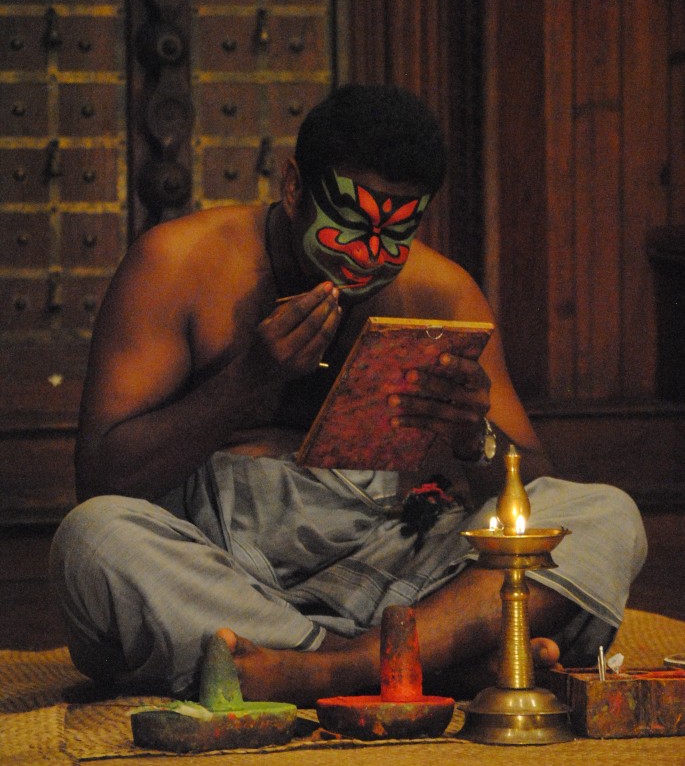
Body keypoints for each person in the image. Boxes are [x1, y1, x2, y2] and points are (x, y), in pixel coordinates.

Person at [50, 85, 646, 706]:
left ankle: (324, 672)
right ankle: (432, 661)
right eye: (352, 224)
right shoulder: (180, 264)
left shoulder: (440, 292)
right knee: (94, 539)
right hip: (224, 564)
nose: (368, 258)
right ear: (292, 187)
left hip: (391, 566)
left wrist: (477, 440)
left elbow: (534, 489)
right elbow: (100, 479)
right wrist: (245, 381)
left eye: (396, 234)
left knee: (602, 516)